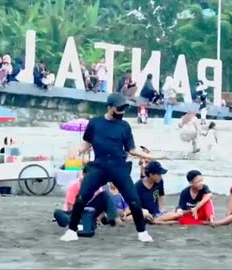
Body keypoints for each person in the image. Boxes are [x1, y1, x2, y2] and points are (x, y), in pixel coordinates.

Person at [59, 93, 165, 242]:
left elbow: (132, 149)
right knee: (82, 198)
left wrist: (152, 157)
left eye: (123, 109)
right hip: (99, 167)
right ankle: (72, 231)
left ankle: (142, 233)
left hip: (119, 168)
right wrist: (76, 151)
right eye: (119, 109)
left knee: (134, 200)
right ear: (109, 107)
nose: (121, 112)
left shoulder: (124, 126)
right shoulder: (95, 123)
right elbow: (86, 144)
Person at [53, 162, 118, 227]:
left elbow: (104, 202)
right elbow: (70, 207)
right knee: (58, 213)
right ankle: (77, 222)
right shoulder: (75, 186)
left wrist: (98, 217)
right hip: (75, 211)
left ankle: (112, 218)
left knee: (104, 195)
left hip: (89, 211)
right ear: (84, 174)